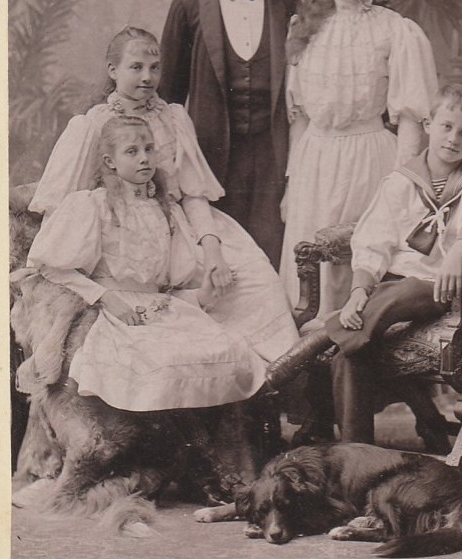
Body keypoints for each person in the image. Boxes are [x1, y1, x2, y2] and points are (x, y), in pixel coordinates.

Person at [29, 26, 299, 368]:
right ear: (113, 70)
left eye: (154, 68)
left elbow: (192, 194)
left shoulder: (172, 117)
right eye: (136, 67)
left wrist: (212, 249)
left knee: (254, 278)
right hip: (122, 231)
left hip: (180, 224)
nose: (147, 77)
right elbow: (70, 204)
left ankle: (274, 374)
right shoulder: (93, 124)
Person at [26, 115, 272, 411]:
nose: (144, 158)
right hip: (118, 312)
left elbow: (169, 288)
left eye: (149, 149)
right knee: (157, 365)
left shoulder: (166, 211)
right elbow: (50, 266)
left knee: (229, 354)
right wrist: (105, 297)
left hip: (164, 309)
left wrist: (204, 293)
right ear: (110, 161)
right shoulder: (93, 205)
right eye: (132, 151)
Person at [315, 84, 462, 446]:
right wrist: (358, 292)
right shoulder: (401, 180)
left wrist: (456, 254)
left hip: (439, 286)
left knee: (405, 291)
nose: (453, 139)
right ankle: (357, 453)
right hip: (389, 289)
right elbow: (373, 241)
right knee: (349, 358)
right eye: (446, 127)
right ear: (428, 124)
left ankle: (330, 335)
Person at [279, 0, 438, 315]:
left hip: (370, 159)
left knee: (362, 258)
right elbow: (299, 116)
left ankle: (356, 344)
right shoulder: (304, 27)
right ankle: (313, 347)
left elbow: (410, 119)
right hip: (315, 162)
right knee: (311, 266)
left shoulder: (393, 29)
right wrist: (292, 181)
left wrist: (403, 184)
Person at [158, 0, 298, 268]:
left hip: (272, 159)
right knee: (217, 258)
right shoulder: (187, 7)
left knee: (270, 255)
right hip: (210, 159)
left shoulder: (289, 8)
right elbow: (168, 98)